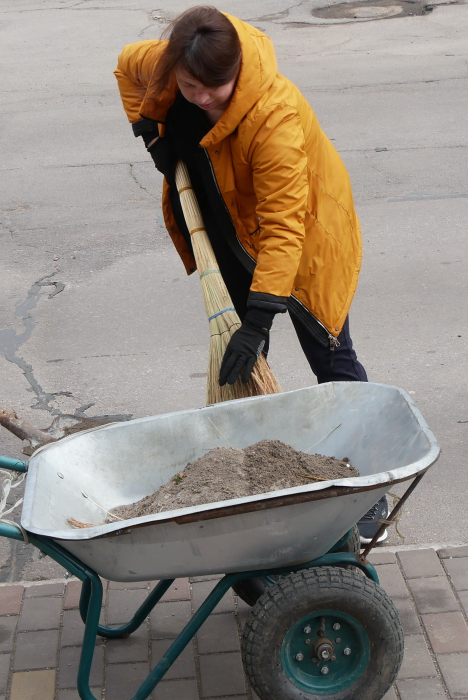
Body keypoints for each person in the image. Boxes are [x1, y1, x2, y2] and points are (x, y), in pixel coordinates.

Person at [115, 6, 389, 542]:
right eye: (189, 87)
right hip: (228, 230)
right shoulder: (168, 61)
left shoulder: (274, 115)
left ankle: (368, 486)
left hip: (305, 241)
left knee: (331, 356)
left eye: (214, 89)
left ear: (237, 71)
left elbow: (286, 227)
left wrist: (260, 317)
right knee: (244, 366)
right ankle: (259, 477)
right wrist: (149, 132)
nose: (201, 99)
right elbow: (127, 66)